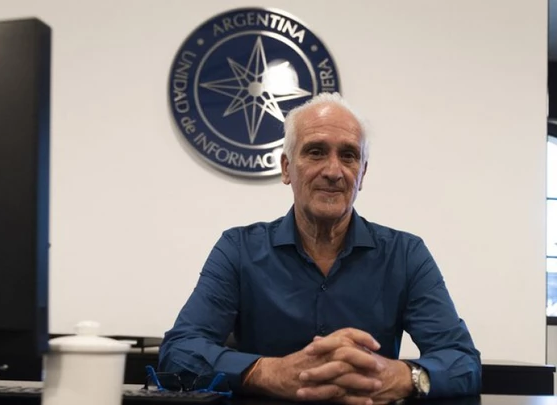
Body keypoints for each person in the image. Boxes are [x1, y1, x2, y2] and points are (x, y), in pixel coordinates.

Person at [158, 92, 481, 405]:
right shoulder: (238, 250)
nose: (333, 171)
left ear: (362, 174)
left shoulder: (406, 255)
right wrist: (269, 372)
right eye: (316, 152)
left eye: (349, 155)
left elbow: (462, 360)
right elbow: (180, 350)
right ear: (286, 168)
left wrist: (401, 377)